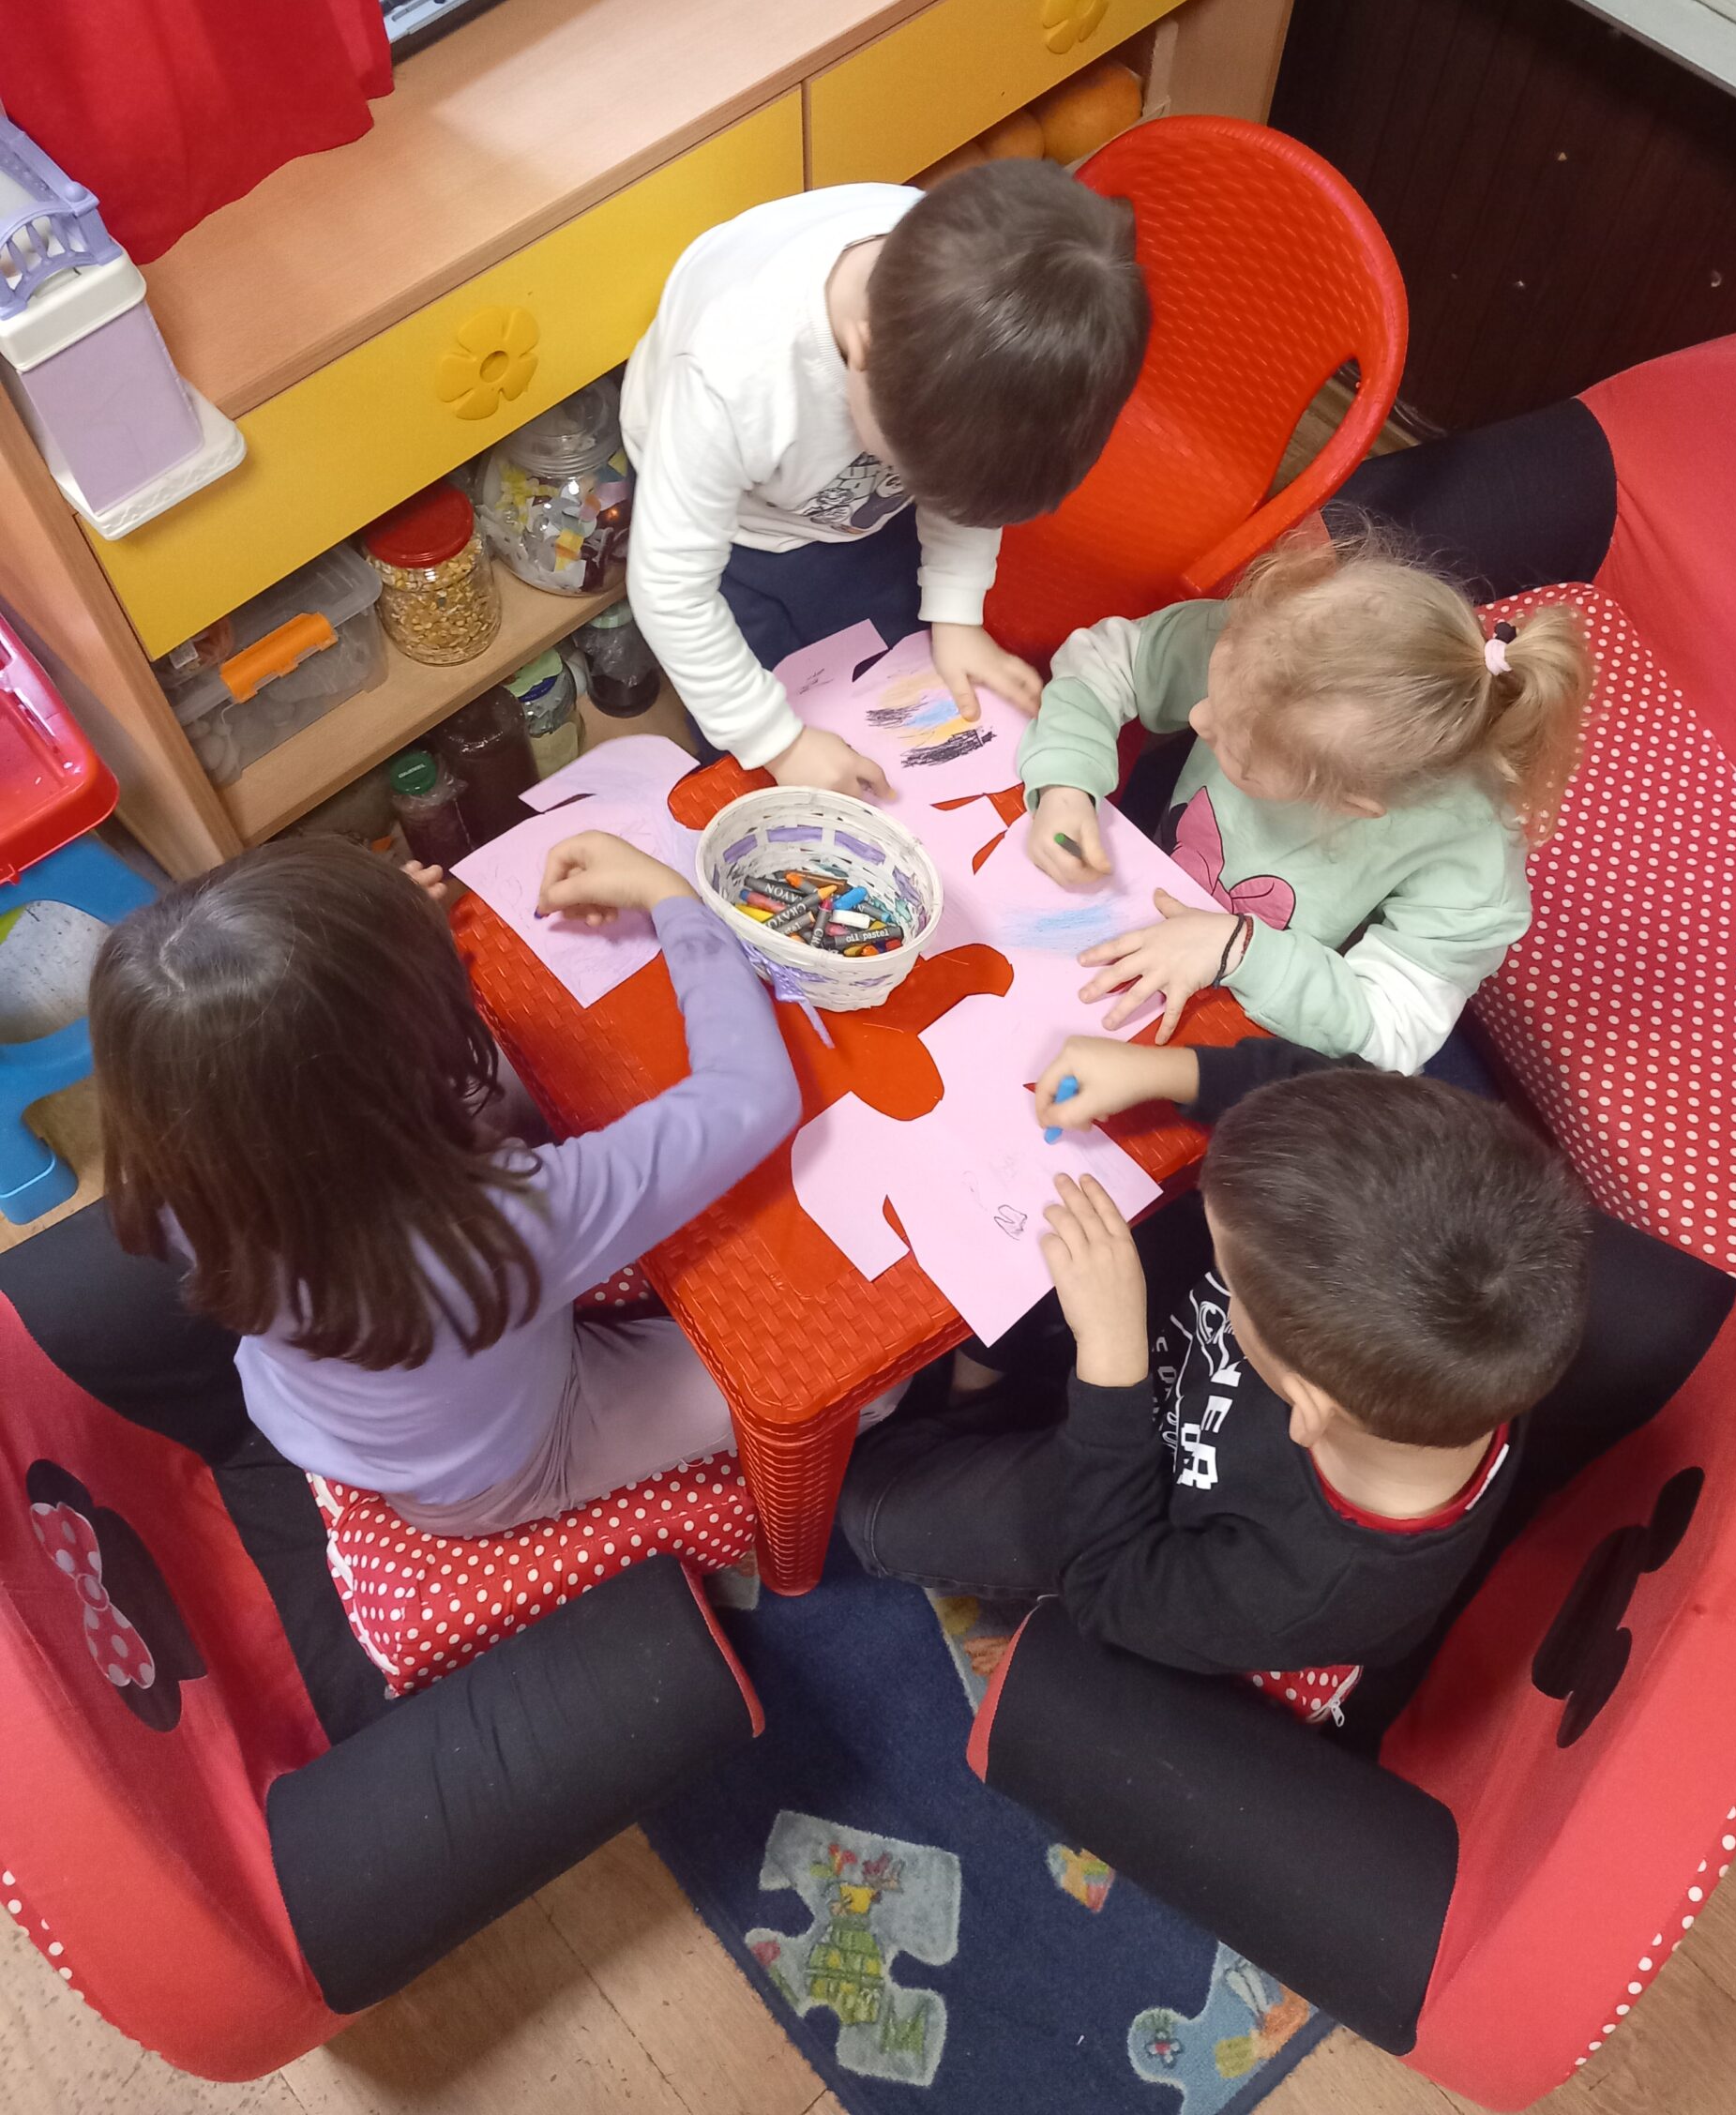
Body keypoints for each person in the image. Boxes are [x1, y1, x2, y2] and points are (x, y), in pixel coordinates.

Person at [88, 831, 799, 1536]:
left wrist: (369, 946)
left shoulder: (182, 1157)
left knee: (530, 1075)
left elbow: (263, 1043)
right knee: (817, 1385)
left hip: (349, 1409)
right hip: (504, 1466)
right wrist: (670, 896)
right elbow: (753, 1093)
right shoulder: (501, 1221)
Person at [839, 1065, 1590, 1703]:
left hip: (1130, 1499)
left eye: (1233, 1285)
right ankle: (991, 1392)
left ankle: (994, 1402)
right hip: (1138, 1362)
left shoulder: (1305, 1593)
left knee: (871, 1506)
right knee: (1035, 1242)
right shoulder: (1431, 1341)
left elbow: (1109, 1585)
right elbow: (1312, 1074)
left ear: (1305, 1409)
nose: (1225, 1283)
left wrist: (1110, 1357)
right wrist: (1166, 1072)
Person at [622, 160, 1150, 794]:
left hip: (847, 507)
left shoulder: (960, 306)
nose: (929, 490)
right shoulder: (731, 377)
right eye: (912, 467)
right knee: (752, 732)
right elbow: (671, 590)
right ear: (864, 349)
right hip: (739, 524)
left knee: (888, 675)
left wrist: (956, 617)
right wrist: (777, 742)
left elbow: (965, 486)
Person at [1019, 523, 1593, 1071]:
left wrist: (1239, 948)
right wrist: (1066, 778)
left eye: (1236, 755)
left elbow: (1397, 1026)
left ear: (1347, 805)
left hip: (1252, 1015)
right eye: (1213, 694)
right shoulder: (1273, 651)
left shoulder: (1469, 857)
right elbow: (1109, 659)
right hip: (1151, 915)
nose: (1196, 719)